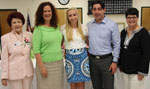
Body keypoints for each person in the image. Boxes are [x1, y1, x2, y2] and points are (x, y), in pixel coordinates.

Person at [87, 1, 120, 89]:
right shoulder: (88, 25)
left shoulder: (112, 25)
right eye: (94, 9)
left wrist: (115, 61)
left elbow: (117, 44)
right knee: (96, 86)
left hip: (107, 61)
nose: (97, 11)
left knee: (109, 86)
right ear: (92, 11)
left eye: (99, 9)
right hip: (92, 61)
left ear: (104, 10)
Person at [32, 1, 64, 89]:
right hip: (45, 65)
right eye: (44, 11)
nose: (47, 13)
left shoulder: (56, 26)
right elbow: (36, 50)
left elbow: (58, 42)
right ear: (41, 14)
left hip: (58, 64)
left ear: (52, 12)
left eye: (49, 11)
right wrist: (42, 67)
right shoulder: (38, 29)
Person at [118, 8, 150, 89]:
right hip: (125, 70)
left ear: (137, 18)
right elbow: (121, 49)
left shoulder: (143, 32)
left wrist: (142, 71)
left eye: (134, 17)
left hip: (137, 72)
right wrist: (120, 64)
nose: (131, 19)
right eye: (129, 17)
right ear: (126, 19)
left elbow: (146, 53)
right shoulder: (123, 32)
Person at [1, 12, 34, 89]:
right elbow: (4, 59)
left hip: (27, 72)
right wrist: (4, 76)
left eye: (19, 22)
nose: (17, 24)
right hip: (14, 73)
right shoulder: (5, 38)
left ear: (22, 23)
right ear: (11, 24)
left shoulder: (29, 35)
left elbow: (35, 48)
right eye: (14, 22)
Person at [60, 8, 90, 89]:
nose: (73, 17)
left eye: (74, 15)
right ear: (67, 17)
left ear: (77, 15)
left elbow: (88, 42)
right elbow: (60, 43)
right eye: (70, 15)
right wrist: (63, 51)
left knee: (81, 83)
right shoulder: (63, 28)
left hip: (82, 57)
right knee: (72, 83)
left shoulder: (84, 28)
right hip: (70, 58)